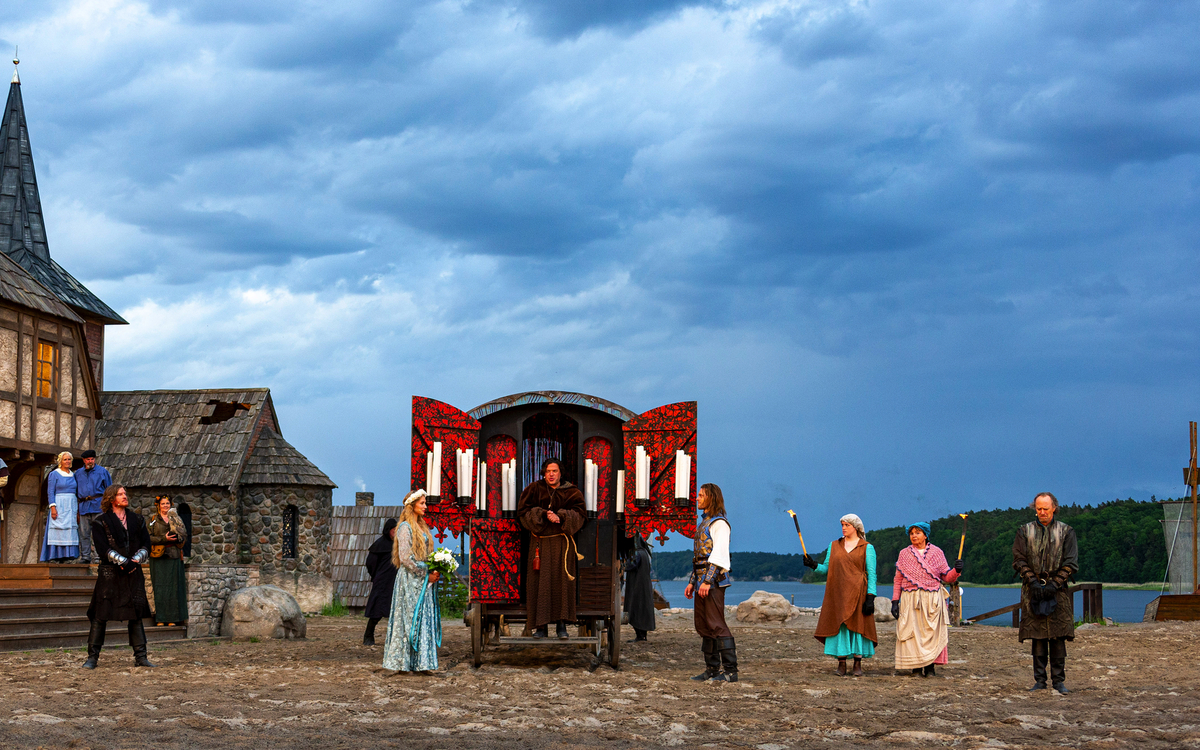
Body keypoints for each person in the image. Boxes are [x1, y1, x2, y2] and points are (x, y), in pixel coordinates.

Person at [82, 485, 155, 669]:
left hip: (133, 572)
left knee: (135, 615)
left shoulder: (137, 519)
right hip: (110, 574)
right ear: (111, 498)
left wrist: (135, 561)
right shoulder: (100, 522)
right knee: (100, 614)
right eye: (120, 494)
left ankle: (141, 657)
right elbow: (102, 548)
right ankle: (92, 658)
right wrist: (123, 562)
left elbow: (147, 544)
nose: (125, 496)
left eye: (125, 493)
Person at [1013, 492, 1078, 694]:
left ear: (1054, 508)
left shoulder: (1066, 531)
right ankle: (1040, 681)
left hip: (1058, 589)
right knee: (1037, 635)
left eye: (1046, 509)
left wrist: (1055, 584)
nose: (1042, 512)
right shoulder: (1024, 531)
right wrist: (1032, 581)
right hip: (1032, 588)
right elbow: (1019, 559)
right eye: (1039, 509)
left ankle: (1058, 681)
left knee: (1058, 635)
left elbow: (1071, 562)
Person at [518, 457, 586, 639]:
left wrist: (561, 516)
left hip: (562, 545)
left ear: (560, 473)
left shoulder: (572, 492)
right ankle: (540, 627)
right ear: (544, 473)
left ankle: (561, 626)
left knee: (561, 583)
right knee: (539, 583)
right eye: (548, 471)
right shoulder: (534, 489)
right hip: (539, 545)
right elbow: (523, 512)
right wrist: (542, 514)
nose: (551, 474)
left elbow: (580, 514)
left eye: (554, 471)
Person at [805, 513, 877, 676]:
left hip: (859, 592)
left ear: (856, 527)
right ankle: (842, 663)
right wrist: (814, 565)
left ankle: (857, 664)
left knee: (858, 625)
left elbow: (872, 574)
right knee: (840, 625)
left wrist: (871, 597)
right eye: (842, 525)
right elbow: (827, 568)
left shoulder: (867, 547)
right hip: (838, 593)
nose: (843, 528)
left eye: (847, 525)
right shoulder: (834, 545)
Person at [890, 521, 962, 677]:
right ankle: (916, 668)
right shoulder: (904, 554)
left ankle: (930, 668)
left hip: (932, 598)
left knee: (931, 633)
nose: (914, 536)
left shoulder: (937, 553)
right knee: (912, 633)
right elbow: (898, 579)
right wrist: (895, 601)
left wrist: (957, 570)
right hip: (910, 598)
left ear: (925, 535)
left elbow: (947, 577)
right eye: (911, 533)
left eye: (918, 532)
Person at [382, 490, 441, 674]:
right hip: (410, 580)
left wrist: (435, 567)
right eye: (422, 503)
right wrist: (425, 573)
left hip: (423, 580)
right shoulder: (405, 528)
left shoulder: (422, 527)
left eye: (425, 503)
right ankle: (403, 663)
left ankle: (421, 664)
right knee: (408, 619)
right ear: (412, 505)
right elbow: (405, 558)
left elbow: (426, 554)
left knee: (423, 618)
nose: (425, 506)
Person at [685, 483, 736, 681]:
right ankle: (712, 670)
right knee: (703, 625)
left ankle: (731, 672)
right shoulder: (704, 523)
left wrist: (707, 581)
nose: (697, 498)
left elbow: (719, 555)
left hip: (713, 582)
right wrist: (692, 582)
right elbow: (699, 558)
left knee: (716, 624)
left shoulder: (719, 523)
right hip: (701, 582)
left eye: (701, 495)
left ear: (711, 498)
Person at [147, 495, 188, 627]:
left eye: (167, 503)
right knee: (159, 588)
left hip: (173, 555)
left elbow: (184, 535)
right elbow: (147, 538)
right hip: (158, 557)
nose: (165, 506)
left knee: (173, 588)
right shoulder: (153, 520)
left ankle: (172, 619)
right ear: (158, 505)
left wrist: (179, 538)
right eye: (163, 503)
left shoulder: (176, 519)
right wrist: (164, 539)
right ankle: (161, 618)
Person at [363, 518, 398, 646]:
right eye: (393, 530)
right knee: (377, 610)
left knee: (397, 610)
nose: (395, 532)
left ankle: (396, 639)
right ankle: (368, 635)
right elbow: (370, 563)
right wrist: (377, 576)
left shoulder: (399, 544)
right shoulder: (379, 545)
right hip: (382, 582)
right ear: (388, 530)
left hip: (396, 581)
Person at [41, 452, 80, 563]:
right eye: (65, 459)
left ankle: (68, 555)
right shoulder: (54, 474)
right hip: (59, 503)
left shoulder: (73, 475)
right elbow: (50, 491)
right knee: (58, 528)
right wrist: (53, 507)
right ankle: (55, 554)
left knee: (69, 528)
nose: (67, 461)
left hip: (71, 504)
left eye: (69, 459)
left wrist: (77, 509)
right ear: (60, 461)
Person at [75, 449, 112, 564]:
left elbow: (109, 490)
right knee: (84, 534)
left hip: (98, 506)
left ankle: (98, 556)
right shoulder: (78, 473)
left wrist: (108, 506)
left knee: (99, 533)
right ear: (84, 460)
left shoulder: (102, 472)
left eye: (92, 459)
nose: (90, 461)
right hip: (83, 506)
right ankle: (85, 557)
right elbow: (75, 490)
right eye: (88, 459)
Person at [623, 534, 656, 642]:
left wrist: (622, 565)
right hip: (643, 586)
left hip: (637, 587)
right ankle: (642, 635)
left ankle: (640, 636)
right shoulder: (644, 552)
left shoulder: (637, 553)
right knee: (642, 610)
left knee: (636, 609)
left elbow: (631, 565)